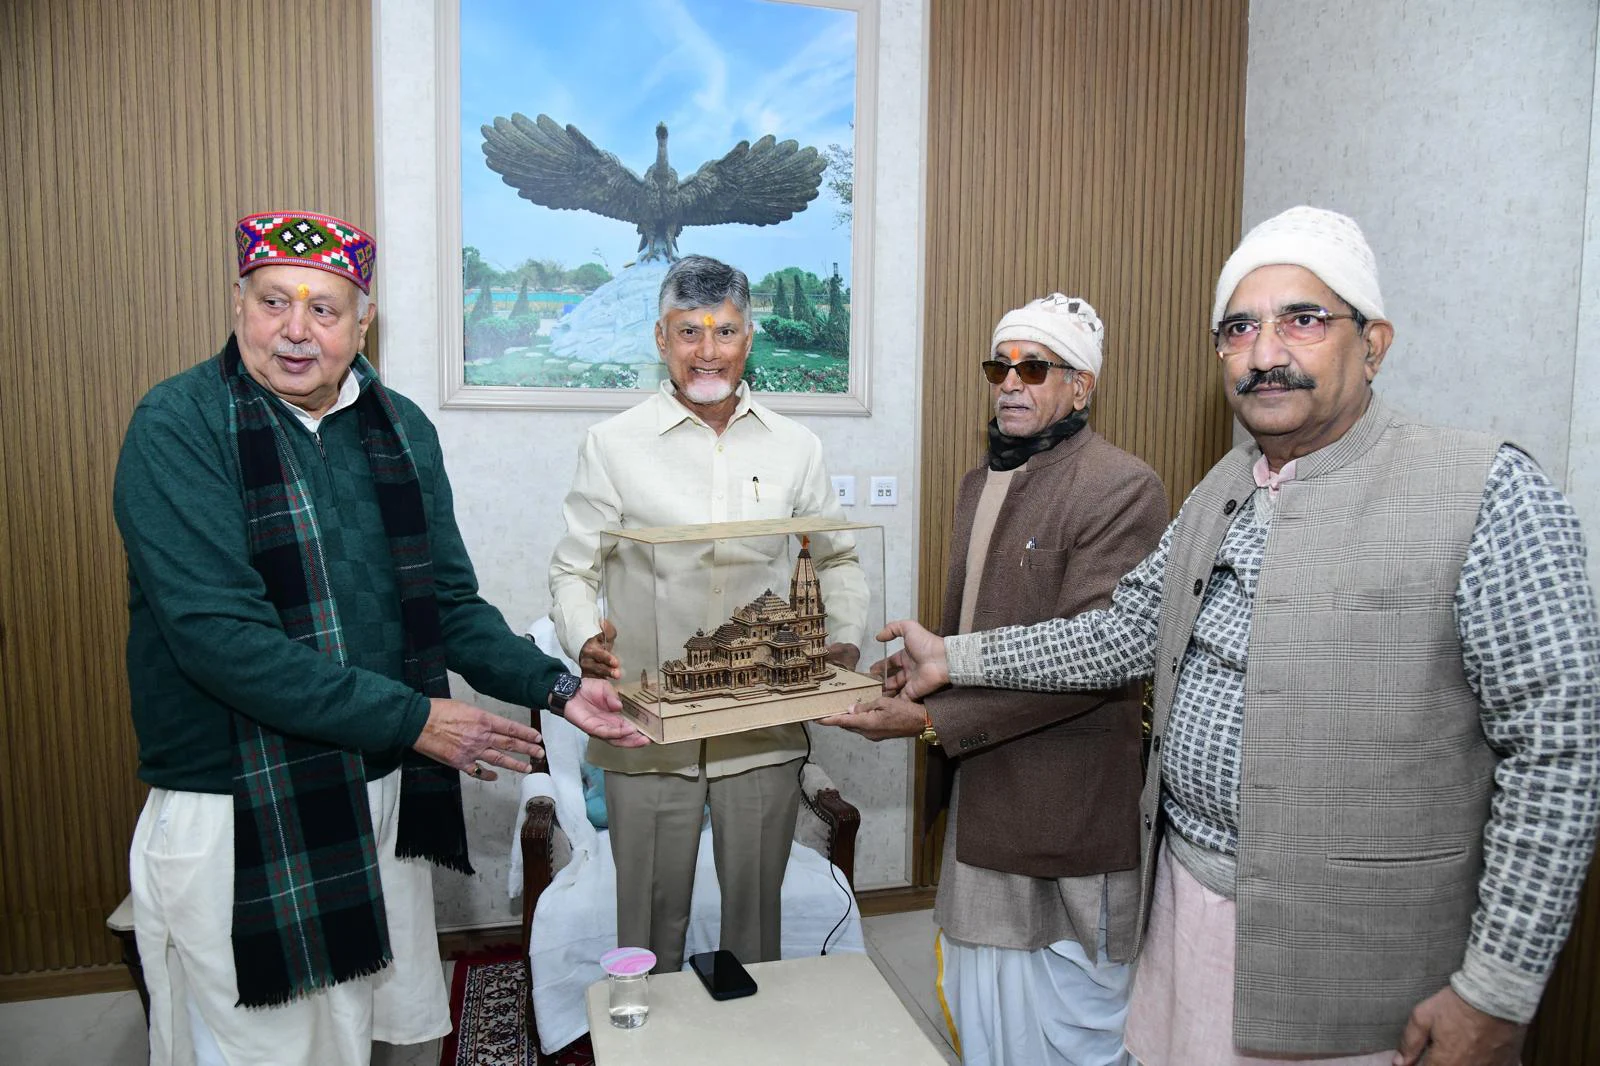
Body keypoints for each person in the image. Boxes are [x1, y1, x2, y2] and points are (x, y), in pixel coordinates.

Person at [872, 207, 1600, 1066]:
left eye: (1304, 320)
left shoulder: (1489, 489)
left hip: (1362, 965)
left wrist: (1499, 987)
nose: (1264, 353)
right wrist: (954, 655)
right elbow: (1122, 633)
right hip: (1187, 914)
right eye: (1240, 328)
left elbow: (1559, 749)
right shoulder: (1224, 486)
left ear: (1375, 342)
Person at [113, 210, 644, 1066]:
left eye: (324, 309)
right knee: (264, 1050)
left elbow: (448, 607)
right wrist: (416, 722)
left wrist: (557, 688)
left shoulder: (399, 427)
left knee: (368, 1038)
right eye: (273, 301)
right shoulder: (179, 425)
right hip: (242, 804)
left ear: (363, 322)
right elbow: (220, 640)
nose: (296, 330)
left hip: (378, 786)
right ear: (236, 306)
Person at [821, 294, 1167, 1065]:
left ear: (1082, 386)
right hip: (982, 786)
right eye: (999, 366)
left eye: (1033, 368)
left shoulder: (1122, 486)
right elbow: (972, 634)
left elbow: (1096, 651)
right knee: (987, 1008)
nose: (1010, 383)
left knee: (1081, 1013)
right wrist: (917, 673)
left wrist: (931, 718)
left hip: (1065, 793)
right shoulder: (979, 483)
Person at [548, 254, 867, 973]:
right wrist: (583, 638)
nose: (708, 352)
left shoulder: (798, 447)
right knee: (648, 935)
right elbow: (573, 569)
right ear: (661, 338)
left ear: (748, 336)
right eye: (689, 332)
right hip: (649, 728)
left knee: (755, 934)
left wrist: (839, 642)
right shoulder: (611, 444)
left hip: (761, 726)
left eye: (724, 331)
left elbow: (839, 560)